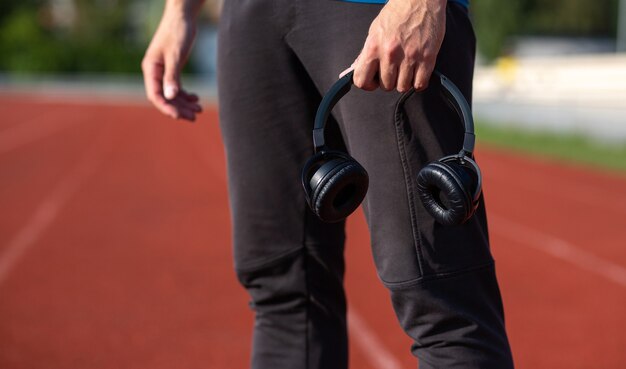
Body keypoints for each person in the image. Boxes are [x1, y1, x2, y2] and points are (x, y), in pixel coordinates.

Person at [142, 0, 515, 368]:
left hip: (378, 11)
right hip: (251, 17)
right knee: (284, 288)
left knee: (443, 299)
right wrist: (179, 11)